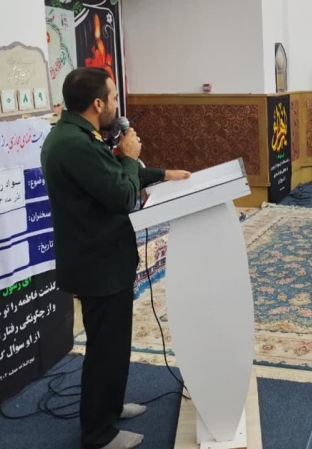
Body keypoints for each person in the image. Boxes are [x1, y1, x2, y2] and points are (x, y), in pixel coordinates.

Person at [41, 68, 190, 449]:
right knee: (105, 349)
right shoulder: (75, 145)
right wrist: (131, 156)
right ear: (97, 103)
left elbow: (111, 178)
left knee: (112, 345)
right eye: (113, 98)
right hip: (98, 265)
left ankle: (109, 407)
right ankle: (98, 433)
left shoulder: (76, 136)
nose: (116, 105)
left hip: (101, 260)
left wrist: (164, 174)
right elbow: (123, 194)